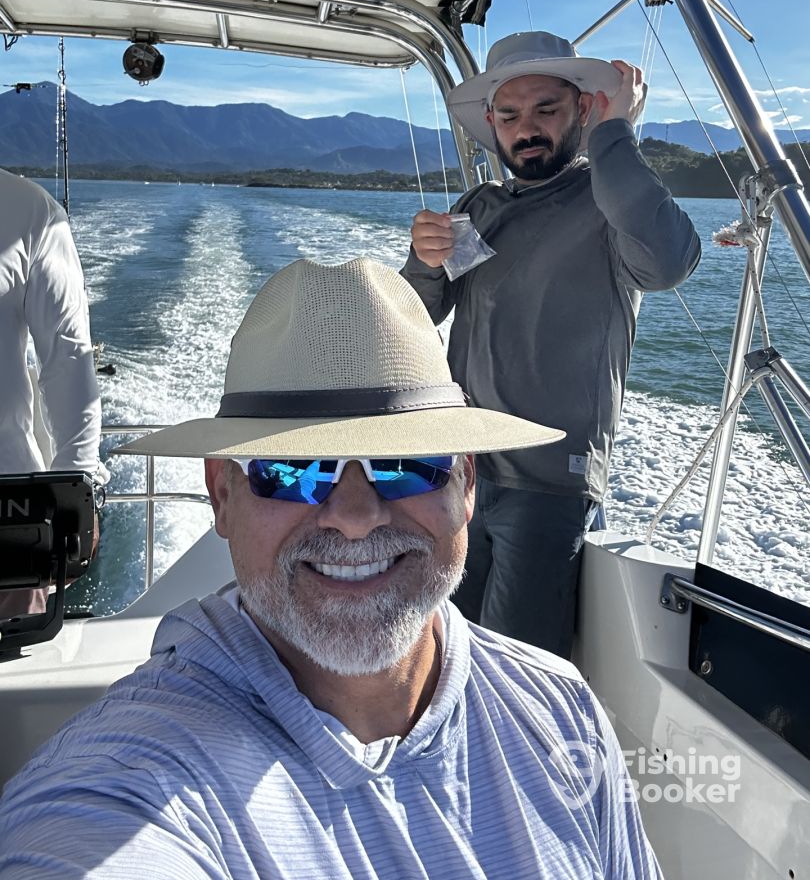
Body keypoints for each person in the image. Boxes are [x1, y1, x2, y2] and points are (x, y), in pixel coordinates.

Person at [0, 258, 662, 879]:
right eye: (293, 468)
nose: (355, 516)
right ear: (222, 495)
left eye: (406, 464)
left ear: (465, 484)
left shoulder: (563, 711)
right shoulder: (131, 776)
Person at [401, 31, 701, 657]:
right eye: (510, 115)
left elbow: (668, 261)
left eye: (546, 109)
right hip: (458, 470)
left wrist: (615, 135)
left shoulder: (609, 205)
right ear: (491, 123)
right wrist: (424, 262)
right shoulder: (477, 207)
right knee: (442, 645)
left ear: (583, 109)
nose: (527, 128)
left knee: (516, 663)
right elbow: (417, 317)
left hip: (548, 483)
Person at [0, 169, 107, 617]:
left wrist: (73, 498)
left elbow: (68, 362)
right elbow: (69, 359)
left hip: (9, 517)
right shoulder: (25, 206)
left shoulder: (29, 211)